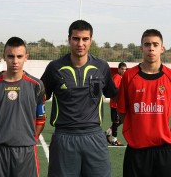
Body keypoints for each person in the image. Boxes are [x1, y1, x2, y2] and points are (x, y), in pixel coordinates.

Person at [40, 20, 118, 177]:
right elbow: (40, 97)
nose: (80, 43)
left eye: (85, 39)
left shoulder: (102, 67)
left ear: (91, 40)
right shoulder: (54, 67)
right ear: (69, 39)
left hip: (94, 136)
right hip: (64, 137)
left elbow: (114, 94)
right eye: (76, 39)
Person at [117, 29, 171, 177]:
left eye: (155, 44)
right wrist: (132, 133)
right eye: (147, 44)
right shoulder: (129, 76)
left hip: (164, 151)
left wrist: (169, 137)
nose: (151, 48)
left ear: (162, 48)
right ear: (141, 48)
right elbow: (122, 111)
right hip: (136, 150)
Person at [0, 37, 46, 177]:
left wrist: (28, 139)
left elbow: (40, 120)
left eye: (19, 56)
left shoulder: (36, 85)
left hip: (26, 151)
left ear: (26, 57)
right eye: (10, 56)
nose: (15, 61)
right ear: (4, 57)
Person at [105, 62, 127, 146]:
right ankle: (114, 140)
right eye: (122, 69)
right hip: (115, 104)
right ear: (118, 69)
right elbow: (114, 91)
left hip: (119, 104)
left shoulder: (122, 78)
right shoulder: (117, 77)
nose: (124, 71)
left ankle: (107, 132)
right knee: (116, 122)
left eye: (125, 69)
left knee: (119, 121)